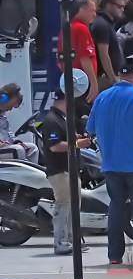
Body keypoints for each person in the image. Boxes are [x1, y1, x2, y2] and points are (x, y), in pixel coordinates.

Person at [87, 69, 133, 265]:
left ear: (119, 75)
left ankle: (114, 255)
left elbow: (90, 128)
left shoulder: (102, 97)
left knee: (116, 207)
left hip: (110, 163)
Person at [40, 88, 92, 255]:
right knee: (64, 205)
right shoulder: (51, 120)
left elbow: (64, 139)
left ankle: (71, 240)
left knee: (73, 206)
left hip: (70, 169)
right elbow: (54, 145)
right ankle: (61, 242)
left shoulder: (62, 118)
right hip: (60, 170)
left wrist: (76, 138)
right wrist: (77, 144)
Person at [57, 0, 99, 107]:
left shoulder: (67, 28)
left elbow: (59, 60)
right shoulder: (81, 29)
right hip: (82, 83)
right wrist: (94, 83)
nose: (94, 14)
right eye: (92, 10)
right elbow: (85, 57)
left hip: (72, 83)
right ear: (81, 9)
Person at [91, 0, 127, 93]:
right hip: (105, 78)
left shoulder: (106, 23)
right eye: (119, 6)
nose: (122, 9)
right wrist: (112, 78)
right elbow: (103, 54)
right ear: (108, 5)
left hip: (107, 77)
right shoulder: (102, 24)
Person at [0, 84, 38, 163]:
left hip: (4, 146)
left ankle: (31, 175)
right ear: (3, 99)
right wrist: (6, 143)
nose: (10, 109)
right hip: (2, 146)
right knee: (18, 150)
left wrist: (16, 141)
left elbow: (8, 133)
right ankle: (19, 175)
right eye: (11, 105)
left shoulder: (3, 114)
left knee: (33, 148)